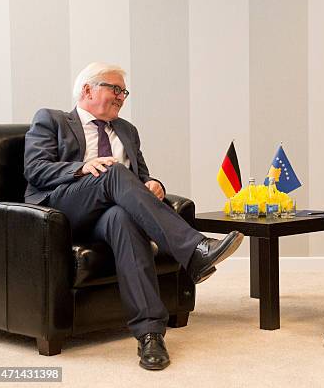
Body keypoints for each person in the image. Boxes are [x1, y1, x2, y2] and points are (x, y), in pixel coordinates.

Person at [23, 62, 244, 371]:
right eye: (115, 89)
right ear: (87, 89)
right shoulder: (51, 119)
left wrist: (154, 186)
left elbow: (139, 178)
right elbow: (35, 168)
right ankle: (193, 250)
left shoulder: (127, 130)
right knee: (113, 170)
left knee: (122, 220)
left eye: (124, 91)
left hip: (108, 213)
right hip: (62, 209)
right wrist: (81, 167)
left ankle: (150, 334)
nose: (121, 96)